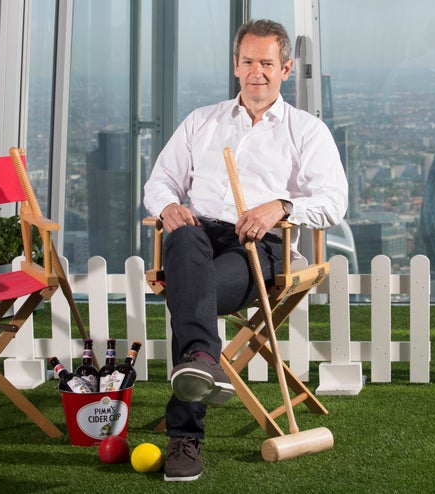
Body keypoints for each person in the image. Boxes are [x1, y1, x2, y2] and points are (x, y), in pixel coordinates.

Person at [143, 19, 348, 482]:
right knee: (184, 239)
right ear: (236, 66)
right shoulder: (201, 121)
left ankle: (185, 435)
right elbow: (158, 182)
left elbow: (335, 202)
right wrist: (169, 205)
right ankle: (202, 363)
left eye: (268, 63)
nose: (258, 72)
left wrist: (281, 206)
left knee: (191, 293)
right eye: (249, 61)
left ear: (286, 68)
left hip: (262, 247)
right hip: (198, 235)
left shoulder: (307, 131)